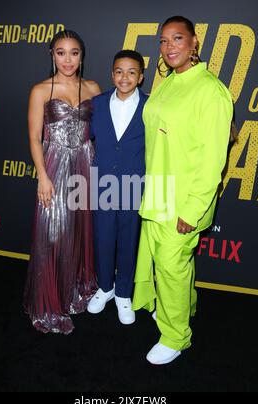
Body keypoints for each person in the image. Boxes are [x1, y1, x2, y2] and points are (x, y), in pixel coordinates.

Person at [132, 16, 234, 364]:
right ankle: (182, 309)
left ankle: (176, 337)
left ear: (194, 42)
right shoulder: (170, 83)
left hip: (185, 199)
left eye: (177, 38)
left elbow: (212, 160)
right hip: (158, 190)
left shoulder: (210, 90)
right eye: (163, 41)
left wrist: (192, 210)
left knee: (171, 265)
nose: (169, 46)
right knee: (171, 266)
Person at [23, 29, 101, 334]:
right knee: (53, 232)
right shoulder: (41, 90)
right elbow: (33, 136)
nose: (67, 59)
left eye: (74, 52)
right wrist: (42, 175)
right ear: (52, 55)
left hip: (86, 162)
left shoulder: (93, 87)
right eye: (61, 52)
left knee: (82, 229)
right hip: (54, 165)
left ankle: (77, 288)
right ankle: (50, 302)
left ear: (82, 56)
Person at [87, 50, 148, 325]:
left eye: (132, 72)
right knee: (102, 238)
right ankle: (105, 287)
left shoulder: (151, 106)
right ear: (112, 74)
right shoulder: (97, 104)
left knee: (128, 240)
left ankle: (124, 293)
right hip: (101, 184)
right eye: (119, 71)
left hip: (135, 184)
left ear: (141, 76)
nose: (125, 77)